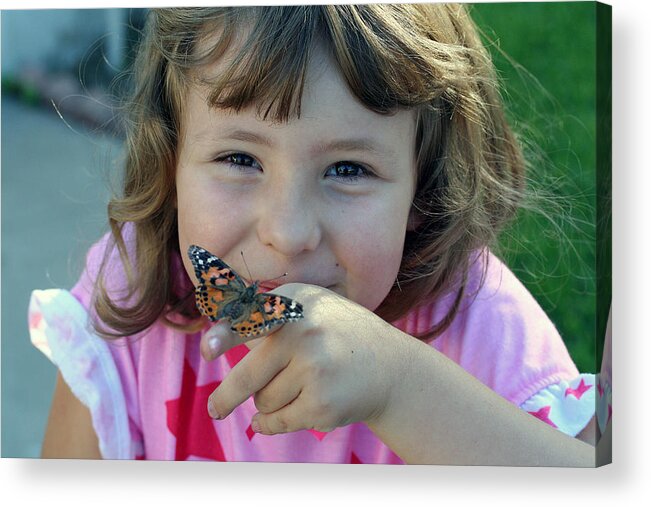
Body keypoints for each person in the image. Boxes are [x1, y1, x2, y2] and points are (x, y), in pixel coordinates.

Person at [30, 4, 598, 464]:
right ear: (171, 161)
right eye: (239, 158)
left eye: (347, 170)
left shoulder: (479, 324)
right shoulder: (136, 294)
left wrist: (397, 386)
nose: (288, 232)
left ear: (425, 190)